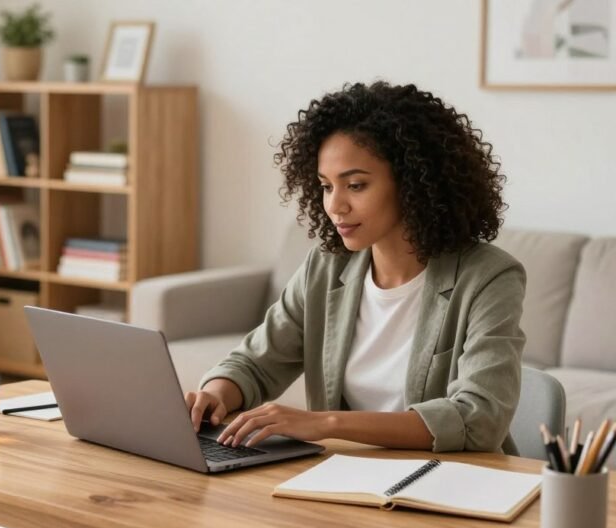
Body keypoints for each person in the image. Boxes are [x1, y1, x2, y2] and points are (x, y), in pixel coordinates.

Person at [187, 81, 526, 455]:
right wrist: (215, 393)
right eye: (326, 186)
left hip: (449, 484)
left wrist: (325, 423)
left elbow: (478, 420)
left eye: (356, 185)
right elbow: (256, 363)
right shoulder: (326, 267)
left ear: (413, 182)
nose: (335, 206)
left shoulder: (488, 277)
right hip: (342, 483)